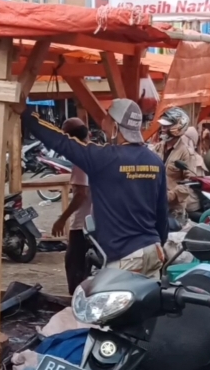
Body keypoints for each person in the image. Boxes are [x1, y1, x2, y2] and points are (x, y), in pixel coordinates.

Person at [20, 99, 169, 278]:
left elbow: (61, 141)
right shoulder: (155, 162)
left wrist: (27, 114)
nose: (103, 123)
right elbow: (162, 216)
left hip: (125, 258)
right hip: (153, 251)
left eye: (107, 117)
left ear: (115, 125)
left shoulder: (102, 158)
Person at [49, 118, 93, 292]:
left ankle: (77, 305)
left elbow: (81, 194)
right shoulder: (96, 154)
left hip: (83, 225)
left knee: (75, 267)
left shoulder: (81, 160)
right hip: (99, 222)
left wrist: (62, 219)